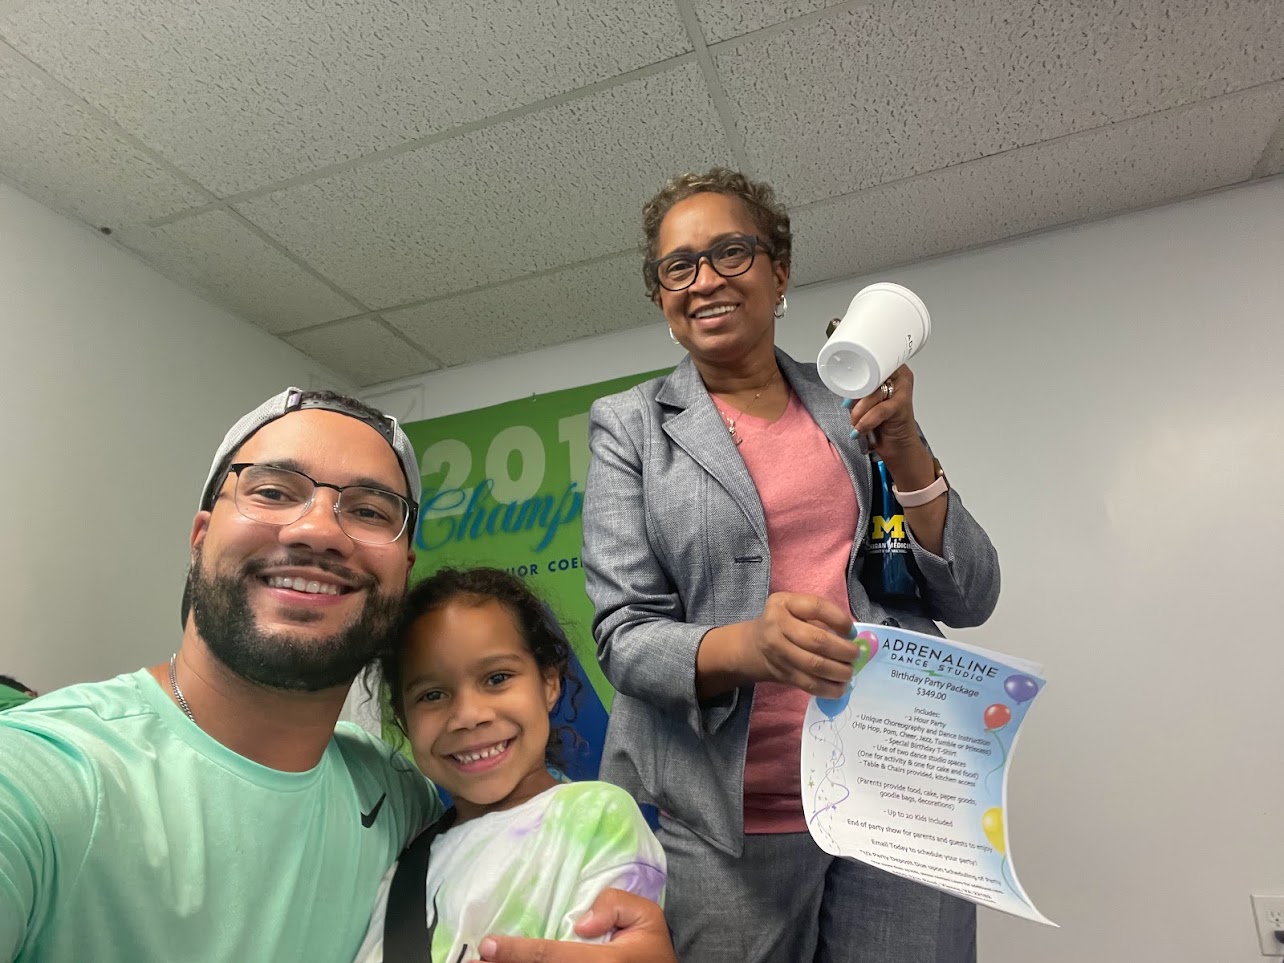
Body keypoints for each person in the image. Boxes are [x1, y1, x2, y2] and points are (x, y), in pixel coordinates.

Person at [0, 387, 675, 963]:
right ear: (202, 531)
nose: (321, 527)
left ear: (401, 569)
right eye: (272, 489)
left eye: (369, 509)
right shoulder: (48, 776)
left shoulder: (403, 798)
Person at [581, 169, 1001, 963]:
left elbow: (971, 591)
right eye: (679, 265)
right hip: (732, 819)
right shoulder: (631, 427)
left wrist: (904, 440)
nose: (704, 279)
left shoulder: (854, 402)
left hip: (894, 787)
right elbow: (623, 635)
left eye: (730, 252)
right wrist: (750, 646)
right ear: (663, 298)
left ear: (778, 273)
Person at [354, 567, 665, 962]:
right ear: (403, 719)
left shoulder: (596, 818)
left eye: (497, 678)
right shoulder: (403, 865)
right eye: (432, 695)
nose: (468, 715)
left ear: (549, 684)